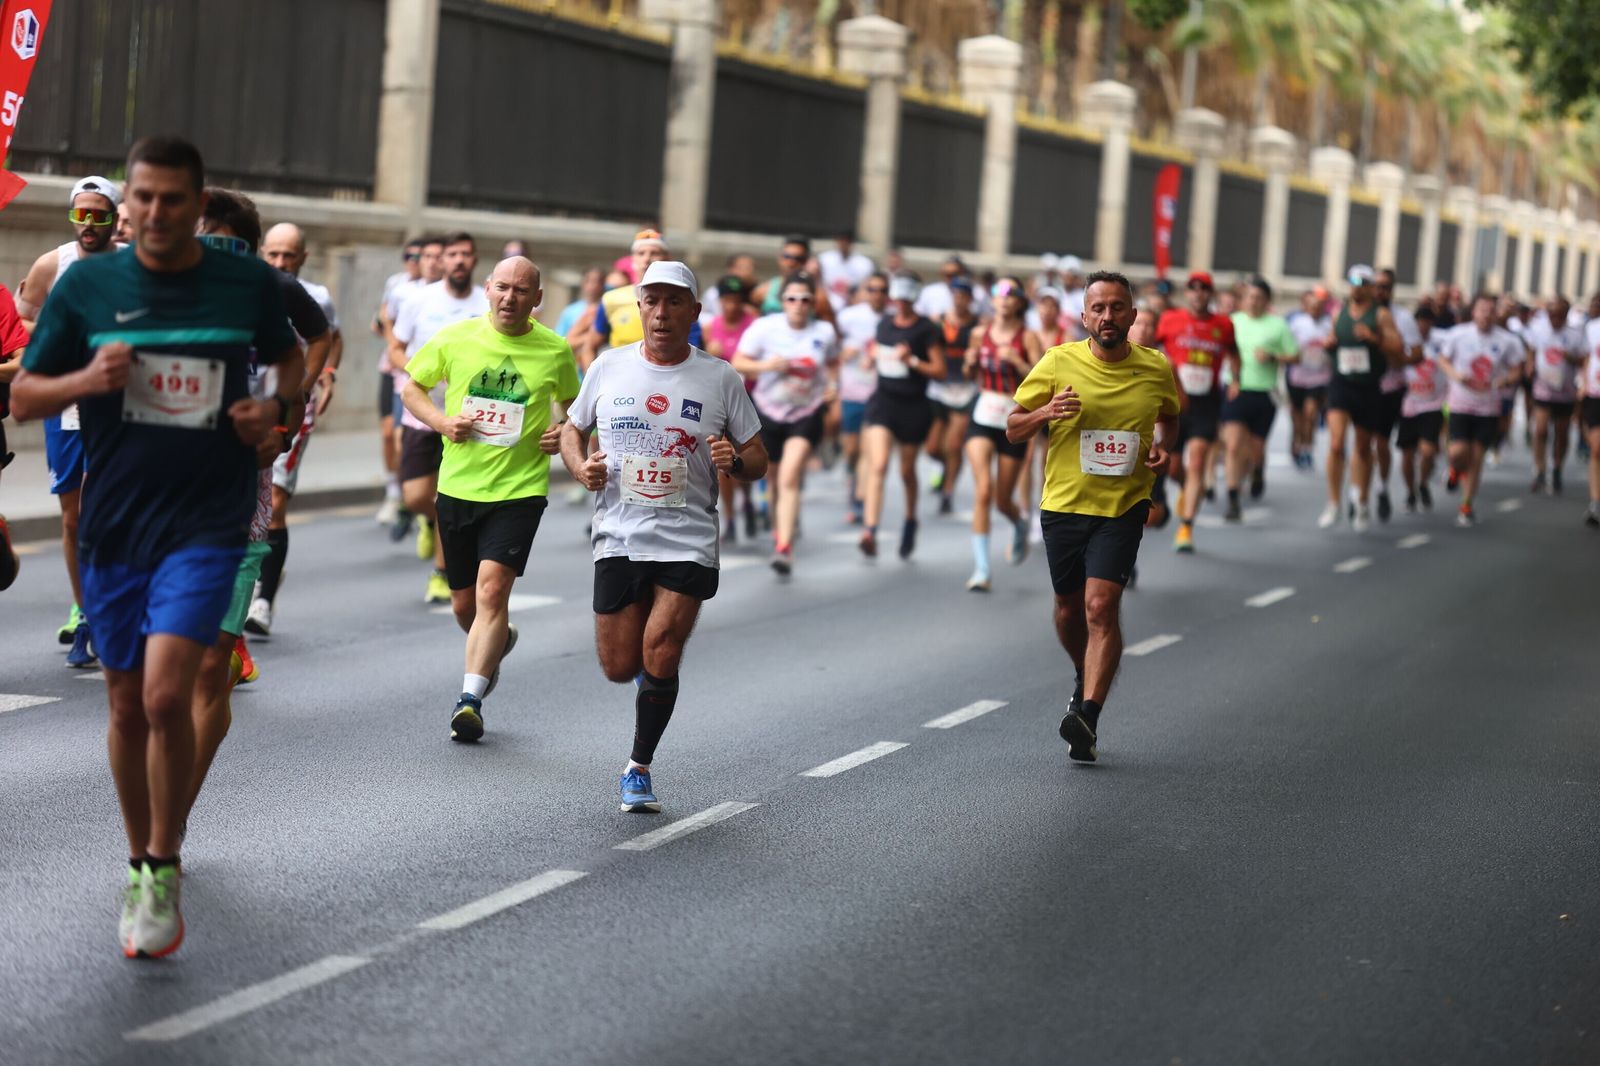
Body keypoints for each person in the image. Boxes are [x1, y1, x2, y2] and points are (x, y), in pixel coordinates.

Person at [11, 137, 303, 958]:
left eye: (174, 199)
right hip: (115, 522)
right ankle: (140, 856)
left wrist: (272, 412)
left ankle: (162, 860)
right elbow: (26, 393)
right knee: (127, 702)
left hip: (206, 522)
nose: (155, 213)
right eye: (144, 198)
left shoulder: (243, 281)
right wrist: (83, 382)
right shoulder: (90, 284)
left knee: (171, 697)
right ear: (128, 200)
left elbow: (291, 356)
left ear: (196, 202)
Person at [559, 261, 768, 813]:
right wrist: (582, 469)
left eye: (674, 302)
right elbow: (571, 433)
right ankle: (647, 682)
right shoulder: (607, 368)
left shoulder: (720, 377)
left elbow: (758, 457)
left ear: (694, 313)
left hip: (688, 535)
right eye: (652, 300)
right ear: (639, 308)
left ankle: (638, 767)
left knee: (664, 649)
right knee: (620, 666)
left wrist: (736, 461)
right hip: (620, 533)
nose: (661, 312)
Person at [185, 187, 328, 827]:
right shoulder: (154, 290)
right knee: (154, 685)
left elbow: (309, 348)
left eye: (224, 242)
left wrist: (285, 426)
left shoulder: (271, 296)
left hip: (240, 502)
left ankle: (173, 821)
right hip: (162, 504)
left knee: (212, 666)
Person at [400, 257, 579, 740]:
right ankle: (497, 640)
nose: (510, 298)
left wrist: (561, 432)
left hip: (519, 491)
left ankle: (470, 700)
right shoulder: (457, 338)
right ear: (487, 289)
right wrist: (441, 422)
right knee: (465, 606)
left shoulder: (555, 351)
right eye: (503, 287)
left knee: (492, 592)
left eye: (522, 291)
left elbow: (576, 413)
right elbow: (411, 387)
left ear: (537, 299)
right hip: (458, 486)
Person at [1006, 271, 1179, 763]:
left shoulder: (1155, 368)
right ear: (1084, 317)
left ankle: (1087, 715)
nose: (1108, 316)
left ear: (1133, 315)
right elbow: (1013, 428)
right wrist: (1046, 414)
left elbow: (1170, 417)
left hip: (1123, 507)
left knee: (1100, 606)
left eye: (1117, 307)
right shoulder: (1057, 361)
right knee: (1068, 609)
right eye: (1098, 308)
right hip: (1064, 505)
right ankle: (1084, 672)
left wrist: (1165, 449)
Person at [16, 174, 126, 664]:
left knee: (115, 512)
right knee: (73, 517)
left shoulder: (132, 266)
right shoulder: (51, 264)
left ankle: (111, 604)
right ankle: (85, 611)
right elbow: (17, 326)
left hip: (121, 404)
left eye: (98, 215)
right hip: (68, 405)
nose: (87, 223)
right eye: (79, 213)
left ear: (114, 218)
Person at [249, 223, 339, 638]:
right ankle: (259, 574)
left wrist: (315, 381)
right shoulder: (251, 286)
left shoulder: (315, 296)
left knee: (277, 499)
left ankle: (263, 601)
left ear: (303, 257)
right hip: (248, 403)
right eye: (274, 255)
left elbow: (329, 337)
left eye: (290, 255)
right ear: (262, 252)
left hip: (291, 408)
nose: (282, 262)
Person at [390, 232, 487, 605]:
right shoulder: (419, 301)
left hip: (468, 421)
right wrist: (421, 375)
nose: (460, 260)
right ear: (442, 260)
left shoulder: (485, 304)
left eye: (466, 253)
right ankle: (428, 521)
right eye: (453, 254)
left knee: (449, 498)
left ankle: (441, 572)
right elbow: (396, 348)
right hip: (422, 413)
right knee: (416, 496)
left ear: (474, 260)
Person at [733, 276, 839, 575]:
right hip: (767, 411)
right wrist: (767, 366)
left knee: (791, 475)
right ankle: (781, 531)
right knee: (775, 480)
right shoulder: (766, 328)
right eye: (792, 299)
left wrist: (832, 386)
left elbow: (833, 363)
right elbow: (738, 361)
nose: (799, 306)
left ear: (813, 303)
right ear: (783, 301)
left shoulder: (824, 331)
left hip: (806, 412)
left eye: (806, 299)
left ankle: (783, 547)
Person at [859, 276, 947, 560]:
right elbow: (877, 348)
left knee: (907, 471)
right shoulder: (884, 324)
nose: (901, 304)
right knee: (879, 464)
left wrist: (912, 361)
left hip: (913, 406)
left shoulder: (926, 329)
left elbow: (940, 370)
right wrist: (871, 357)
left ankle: (910, 519)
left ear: (914, 299)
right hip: (883, 402)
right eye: (897, 299)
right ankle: (870, 530)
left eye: (906, 300)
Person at [963, 277, 1041, 590]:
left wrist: (1018, 362)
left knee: (1001, 500)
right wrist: (969, 365)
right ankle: (982, 569)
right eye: (999, 293)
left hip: (1013, 420)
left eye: (1011, 294)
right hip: (983, 413)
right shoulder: (979, 334)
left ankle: (1019, 523)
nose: (1004, 299)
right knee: (983, 490)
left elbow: (1041, 378)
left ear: (1020, 302)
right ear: (992, 301)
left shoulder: (1029, 337)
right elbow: (971, 374)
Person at [1156, 271, 1237, 553]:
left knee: (1199, 459)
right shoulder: (1169, 320)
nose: (1198, 293)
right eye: (1193, 288)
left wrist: (1236, 379)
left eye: (1204, 289)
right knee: (1174, 467)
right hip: (1175, 401)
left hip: (1207, 402)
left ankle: (1186, 526)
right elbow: (1150, 348)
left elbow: (1234, 354)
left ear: (1210, 294)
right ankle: (1186, 489)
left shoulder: (1223, 325)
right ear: (1186, 293)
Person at [1318, 265, 1402, 531]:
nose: (1355, 286)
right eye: (1352, 280)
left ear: (1370, 287)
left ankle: (1362, 500)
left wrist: (1374, 338)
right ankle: (1333, 503)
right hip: (1341, 383)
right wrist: (1328, 343)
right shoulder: (1338, 312)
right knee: (1336, 442)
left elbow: (1397, 348)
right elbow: (1330, 338)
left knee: (1364, 448)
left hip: (1368, 386)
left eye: (1361, 281)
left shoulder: (1381, 315)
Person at [1438, 293, 1524, 526]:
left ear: (1496, 313)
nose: (1485, 315)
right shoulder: (1458, 334)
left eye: (1490, 310)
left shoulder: (1507, 340)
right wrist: (1456, 375)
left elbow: (1518, 369)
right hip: (1460, 404)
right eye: (1481, 310)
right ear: (1473, 312)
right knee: (1458, 453)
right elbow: (1442, 360)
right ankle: (1455, 470)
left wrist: (1504, 381)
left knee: (1476, 457)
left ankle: (1466, 505)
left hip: (1488, 408)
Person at [381, 235, 446, 542]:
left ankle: (441, 562)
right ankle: (413, 507)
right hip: (408, 387)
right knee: (394, 439)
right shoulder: (405, 292)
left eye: (438, 256)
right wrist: (420, 372)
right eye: (426, 256)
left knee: (445, 479)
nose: (432, 261)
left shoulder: (470, 301)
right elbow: (391, 338)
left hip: (456, 405)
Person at [1222, 276, 1296, 520]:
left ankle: (1258, 470)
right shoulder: (1232, 322)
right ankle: (1233, 497)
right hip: (1236, 389)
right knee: (1233, 446)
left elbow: (1295, 356)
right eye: (1250, 297)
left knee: (1256, 450)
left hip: (1265, 394)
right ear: (1243, 300)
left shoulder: (1278, 325)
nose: (1253, 302)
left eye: (1259, 298)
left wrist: (1274, 356)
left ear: (1267, 301)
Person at [702, 274, 760, 540]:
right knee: (723, 462)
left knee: (744, 456)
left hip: (751, 398)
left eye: (737, 300)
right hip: (721, 402)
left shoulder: (754, 325)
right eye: (726, 300)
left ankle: (747, 501)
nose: (731, 306)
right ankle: (730, 517)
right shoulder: (711, 327)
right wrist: (711, 354)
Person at [373, 238, 423, 525]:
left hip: (419, 373)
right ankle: (393, 491)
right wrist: (395, 344)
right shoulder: (396, 284)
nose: (414, 260)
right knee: (388, 434)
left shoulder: (434, 291)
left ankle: (411, 495)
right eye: (410, 255)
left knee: (407, 439)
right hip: (392, 368)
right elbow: (379, 322)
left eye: (421, 255)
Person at [835, 271, 889, 525]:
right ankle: (852, 476)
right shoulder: (849, 317)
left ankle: (859, 501)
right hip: (851, 390)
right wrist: (844, 354)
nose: (877, 295)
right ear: (866, 292)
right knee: (852, 449)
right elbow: (831, 350)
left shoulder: (891, 321)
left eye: (882, 290)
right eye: (873, 289)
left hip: (879, 395)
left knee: (869, 450)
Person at [927, 277, 979, 515]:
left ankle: (947, 492)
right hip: (940, 389)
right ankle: (947, 468)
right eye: (955, 294)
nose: (959, 299)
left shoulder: (977, 326)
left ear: (970, 298)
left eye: (963, 295)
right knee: (932, 448)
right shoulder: (939, 322)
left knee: (954, 444)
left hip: (966, 390)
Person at [1371, 268, 1421, 521]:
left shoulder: (1403, 318)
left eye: (1386, 287)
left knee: (1386, 442)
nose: (1380, 291)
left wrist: (1396, 355)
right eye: (1376, 285)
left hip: (1393, 389)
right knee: (1360, 443)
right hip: (1361, 387)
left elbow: (1416, 354)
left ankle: (1384, 487)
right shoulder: (1358, 314)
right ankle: (1359, 494)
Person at [1524, 295, 1584, 494]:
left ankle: (1557, 467)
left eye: (1559, 315)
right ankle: (1539, 470)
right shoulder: (1538, 329)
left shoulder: (1575, 335)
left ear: (1566, 315)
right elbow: (1531, 351)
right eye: (1552, 315)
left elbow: (1583, 360)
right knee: (1540, 430)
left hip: (1565, 392)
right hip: (1543, 388)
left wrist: (1571, 358)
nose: (1555, 319)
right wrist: (1530, 365)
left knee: (1561, 433)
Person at [1397, 305, 1447, 512]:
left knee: (1427, 451)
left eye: (1427, 323)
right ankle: (1410, 492)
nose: (1422, 327)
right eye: (1419, 323)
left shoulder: (1442, 342)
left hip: (1433, 403)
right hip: (1409, 404)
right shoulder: (1403, 341)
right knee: (1407, 454)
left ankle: (1423, 482)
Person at [1285, 287, 1332, 469]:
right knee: (1297, 418)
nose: (1315, 309)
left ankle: (1307, 449)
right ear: (1306, 306)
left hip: (1319, 378)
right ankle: (1297, 444)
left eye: (1319, 306)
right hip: (1298, 377)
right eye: (1312, 305)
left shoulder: (1329, 324)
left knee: (1310, 415)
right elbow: (1287, 346)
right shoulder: (1296, 323)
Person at [817, 231, 875, 313]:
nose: (843, 244)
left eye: (846, 241)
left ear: (851, 243)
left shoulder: (864, 263)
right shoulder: (824, 259)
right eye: (841, 241)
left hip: (854, 302)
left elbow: (866, 287)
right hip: (828, 301)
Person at [1582, 309, 1600, 527]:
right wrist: (1584, 382)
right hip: (1596, 394)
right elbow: (1587, 357)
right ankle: (1596, 502)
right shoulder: (1592, 327)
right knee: (1597, 448)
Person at [555, 266, 605, 342]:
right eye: (588, 281)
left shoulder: (606, 308)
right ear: (582, 283)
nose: (592, 285)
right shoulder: (570, 311)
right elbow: (559, 338)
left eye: (597, 281)